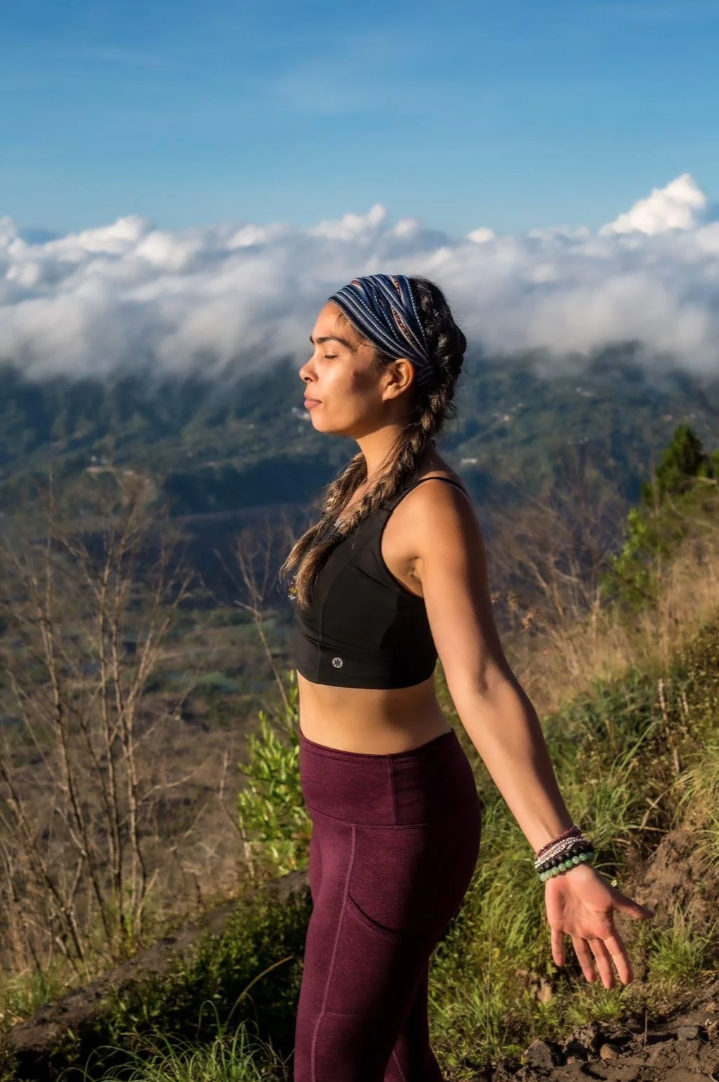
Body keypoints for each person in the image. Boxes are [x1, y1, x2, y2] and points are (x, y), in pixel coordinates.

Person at [280, 274, 654, 1082]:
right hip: (341, 814)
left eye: (330, 351)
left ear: (394, 377)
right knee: (395, 1061)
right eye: (312, 349)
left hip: (392, 822)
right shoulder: (364, 483)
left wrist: (561, 856)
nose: (306, 369)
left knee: (325, 1065)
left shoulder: (428, 508)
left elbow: (480, 681)